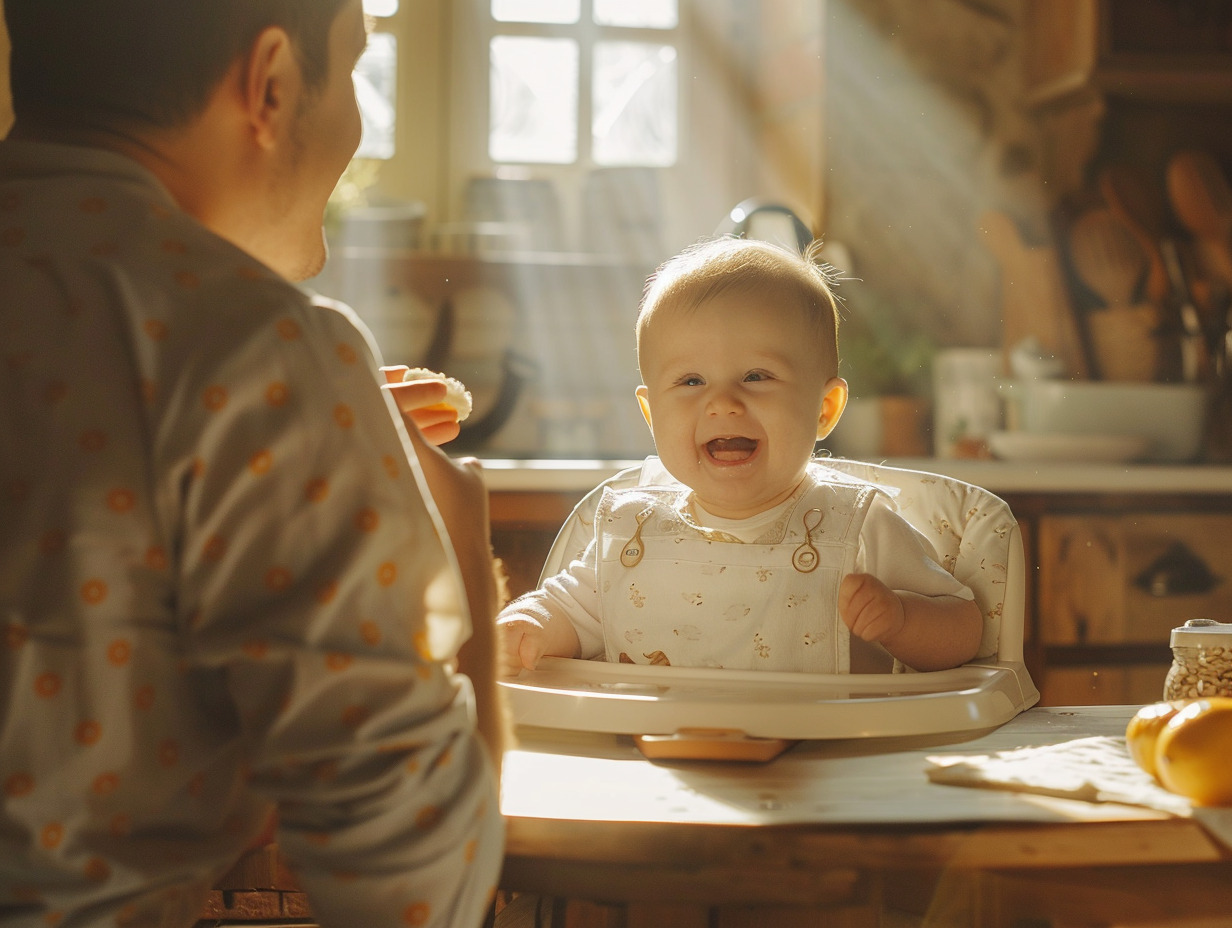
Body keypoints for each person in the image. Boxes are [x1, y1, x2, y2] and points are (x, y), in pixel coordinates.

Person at [0, 2, 506, 927]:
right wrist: (460, 541)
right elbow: (416, 890)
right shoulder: (253, 349)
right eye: (354, 71)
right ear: (270, 85)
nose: (358, 130)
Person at [498, 237, 983, 676]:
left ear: (825, 408)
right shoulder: (633, 530)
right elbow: (568, 612)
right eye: (691, 381)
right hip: (661, 762)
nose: (723, 402)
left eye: (756, 376)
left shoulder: (854, 526)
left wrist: (900, 618)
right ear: (651, 413)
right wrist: (529, 624)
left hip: (826, 762)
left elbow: (962, 630)